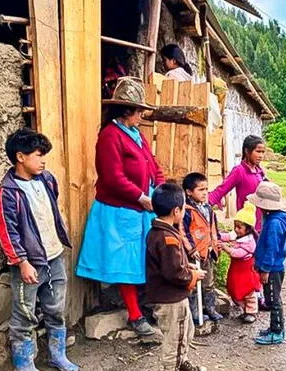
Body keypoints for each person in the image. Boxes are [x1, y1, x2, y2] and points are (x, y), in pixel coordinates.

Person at [76, 77, 165, 338]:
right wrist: (140, 197)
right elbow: (113, 178)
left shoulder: (137, 134)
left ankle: (146, 305)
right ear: (127, 110)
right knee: (126, 263)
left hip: (143, 206)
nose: (142, 115)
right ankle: (134, 315)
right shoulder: (110, 136)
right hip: (121, 210)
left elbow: (152, 164)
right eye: (139, 111)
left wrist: (159, 189)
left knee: (144, 258)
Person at [0, 128, 78, 371]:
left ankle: (57, 355)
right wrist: (21, 261)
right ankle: (25, 363)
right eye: (38, 155)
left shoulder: (47, 179)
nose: (43, 161)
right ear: (20, 157)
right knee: (24, 315)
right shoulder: (7, 193)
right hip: (29, 264)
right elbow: (6, 231)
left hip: (54, 256)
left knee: (56, 308)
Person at [145, 182, 206, 371]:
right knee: (175, 339)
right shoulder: (168, 238)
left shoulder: (158, 232)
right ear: (176, 211)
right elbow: (174, 273)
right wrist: (192, 274)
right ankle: (172, 366)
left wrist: (184, 264)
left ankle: (182, 363)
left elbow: (167, 264)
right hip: (170, 300)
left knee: (186, 331)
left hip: (172, 296)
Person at [247, 182, 286, 345]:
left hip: (273, 269)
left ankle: (277, 331)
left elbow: (272, 248)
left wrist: (265, 269)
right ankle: (274, 328)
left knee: (273, 300)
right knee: (271, 297)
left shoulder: (274, 223)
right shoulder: (272, 218)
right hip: (271, 266)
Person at [181, 172, 224, 325]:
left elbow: (213, 228)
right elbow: (183, 232)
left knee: (209, 283)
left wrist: (216, 243)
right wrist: (191, 249)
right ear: (188, 192)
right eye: (200, 189)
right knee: (193, 284)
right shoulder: (186, 211)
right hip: (195, 255)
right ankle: (195, 313)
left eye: (206, 189)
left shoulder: (209, 208)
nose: (205, 192)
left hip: (208, 252)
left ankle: (211, 309)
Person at [209, 135, 267, 233]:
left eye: (262, 152)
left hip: (262, 221)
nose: (261, 155)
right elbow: (222, 189)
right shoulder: (239, 171)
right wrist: (202, 204)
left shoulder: (259, 171)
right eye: (258, 151)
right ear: (247, 151)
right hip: (247, 225)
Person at [219, 201, 262, 324]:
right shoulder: (238, 234)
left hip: (246, 271)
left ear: (248, 228)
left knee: (249, 291)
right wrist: (217, 235)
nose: (236, 230)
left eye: (239, 227)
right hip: (237, 270)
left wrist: (225, 247)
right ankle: (245, 309)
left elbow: (236, 254)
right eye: (235, 226)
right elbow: (228, 236)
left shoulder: (249, 242)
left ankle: (251, 312)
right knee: (235, 288)